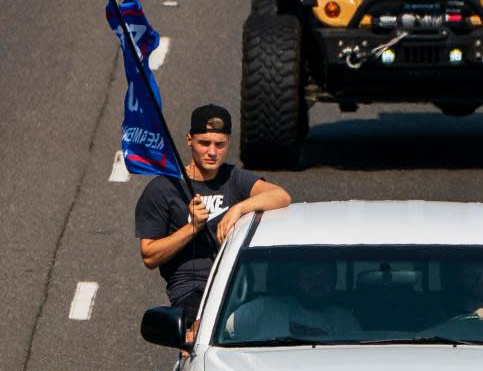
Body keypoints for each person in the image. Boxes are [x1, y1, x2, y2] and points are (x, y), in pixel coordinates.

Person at [135, 104, 291, 331]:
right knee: (204, 331)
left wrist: (238, 209)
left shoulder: (234, 178)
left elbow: (281, 196)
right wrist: (192, 228)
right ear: (189, 140)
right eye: (204, 143)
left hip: (236, 284)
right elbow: (149, 256)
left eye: (220, 145)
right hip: (192, 289)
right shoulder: (163, 189)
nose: (212, 152)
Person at [224, 260, 359, 342]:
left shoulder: (345, 320)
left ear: (334, 279)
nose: (317, 282)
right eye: (309, 274)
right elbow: (219, 330)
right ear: (295, 279)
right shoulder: (263, 309)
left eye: (324, 274)